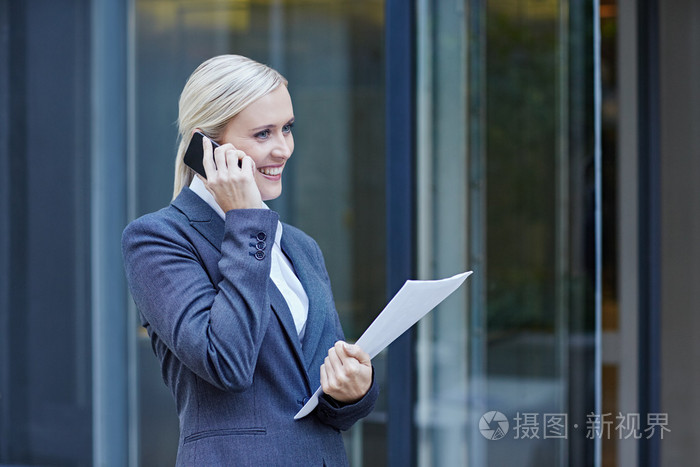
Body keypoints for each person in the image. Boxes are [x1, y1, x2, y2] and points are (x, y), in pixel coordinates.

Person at [122, 55, 378, 466]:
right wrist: (246, 222)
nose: (283, 149)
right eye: (263, 134)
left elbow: (315, 392)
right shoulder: (158, 239)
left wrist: (354, 390)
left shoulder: (300, 246)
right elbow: (227, 363)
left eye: (287, 129)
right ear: (206, 146)